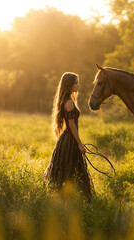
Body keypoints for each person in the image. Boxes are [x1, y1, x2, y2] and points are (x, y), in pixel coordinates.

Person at [44, 72, 94, 200]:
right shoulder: (69, 103)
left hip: (66, 140)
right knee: (71, 170)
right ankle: (73, 198)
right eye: (76, 83)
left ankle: (68, 198)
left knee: (70, 169)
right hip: (70, 141)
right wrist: (80, 144)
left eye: (78, 82)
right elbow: (71, 125)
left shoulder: (66, 100)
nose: (78, 85)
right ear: (70, 85)